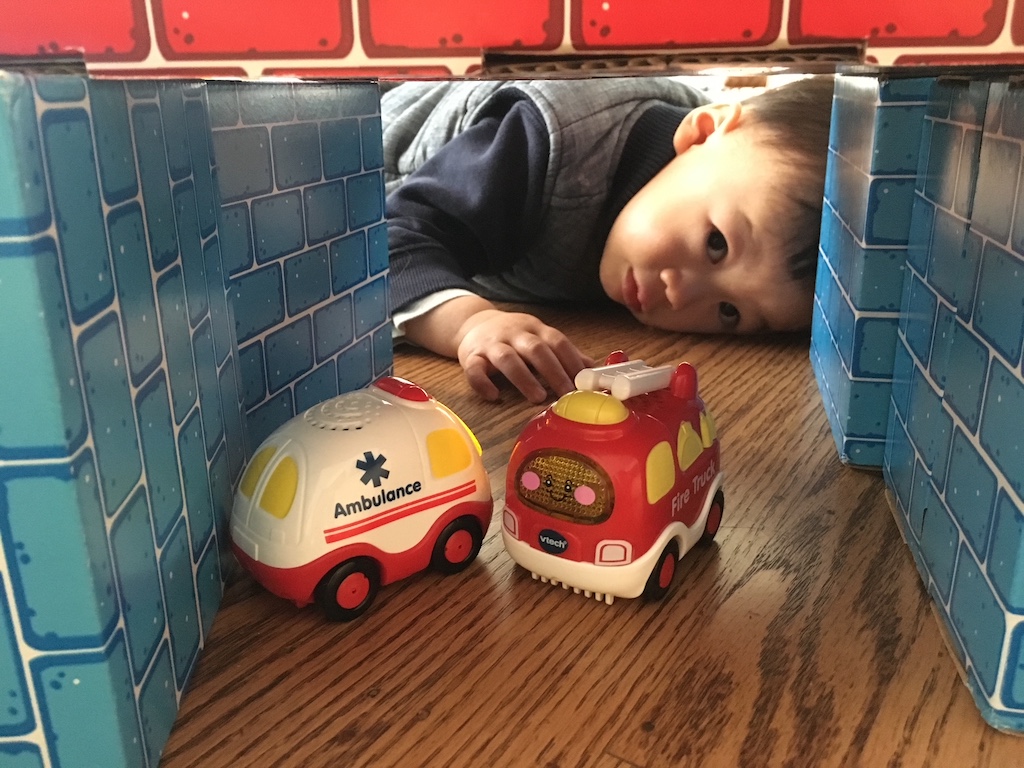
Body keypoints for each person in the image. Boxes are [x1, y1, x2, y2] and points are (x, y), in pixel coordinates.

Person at [383, 75, 834, 403]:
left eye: (730, 312)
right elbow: (392, 239)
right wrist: (472, 324)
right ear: (702, 132)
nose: (680, 294)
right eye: (716, 243)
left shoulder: (697, 190)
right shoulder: (547, 140)